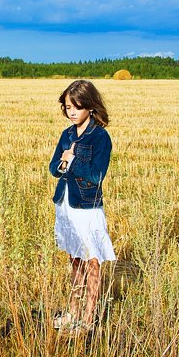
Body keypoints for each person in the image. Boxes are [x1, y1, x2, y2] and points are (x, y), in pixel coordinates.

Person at [48, 79, 115, 335]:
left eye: (76, 106)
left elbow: (97, 176)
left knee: (92, 261)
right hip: (65, 203)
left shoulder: (100, 137)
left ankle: (88, 318)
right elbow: (54, 168)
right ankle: (73, 312)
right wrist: (62, 164)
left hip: (86, 206)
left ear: (89, 106)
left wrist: (72, 161)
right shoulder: (66, 134)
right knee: (74, 259)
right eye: (67, 107)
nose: (71, 112)